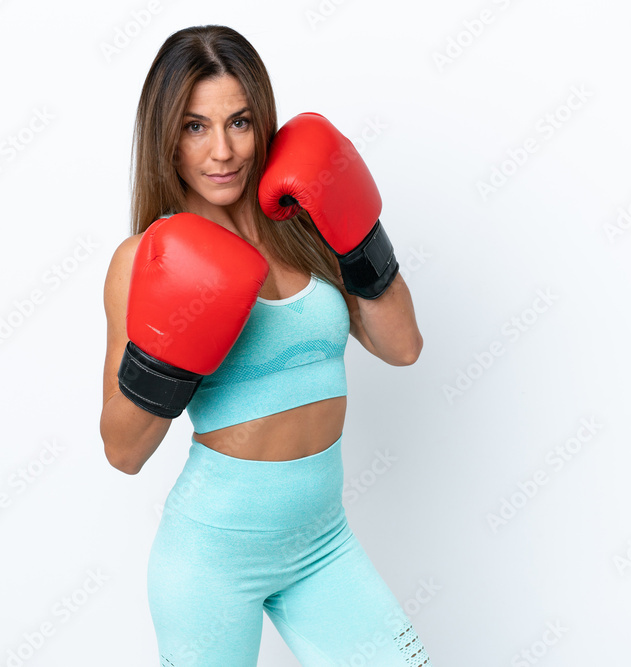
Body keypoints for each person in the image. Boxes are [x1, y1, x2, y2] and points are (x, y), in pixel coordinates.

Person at [100, 24, 430, 667]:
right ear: (166, 136)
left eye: (240, 122)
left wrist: (360, 239)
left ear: (264, 122)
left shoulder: (302, 219)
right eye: (196, 126)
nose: (221, 151)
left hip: (322, 541)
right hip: (213, 556)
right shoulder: (146, 260)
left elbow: (403, 346)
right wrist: (170, 353)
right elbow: (122, 451)